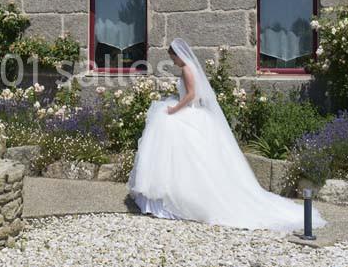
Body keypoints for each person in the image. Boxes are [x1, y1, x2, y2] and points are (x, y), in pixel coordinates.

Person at [127, 38, 326, 232]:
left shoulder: (187, 69)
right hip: (195, 114)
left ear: (179, 56)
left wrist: (174, 109)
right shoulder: (189, 68)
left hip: (189, 112)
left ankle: (179, 199)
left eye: (173, 58)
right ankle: (174, 197)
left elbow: (191, 95)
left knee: (185, 156)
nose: (173, 62)